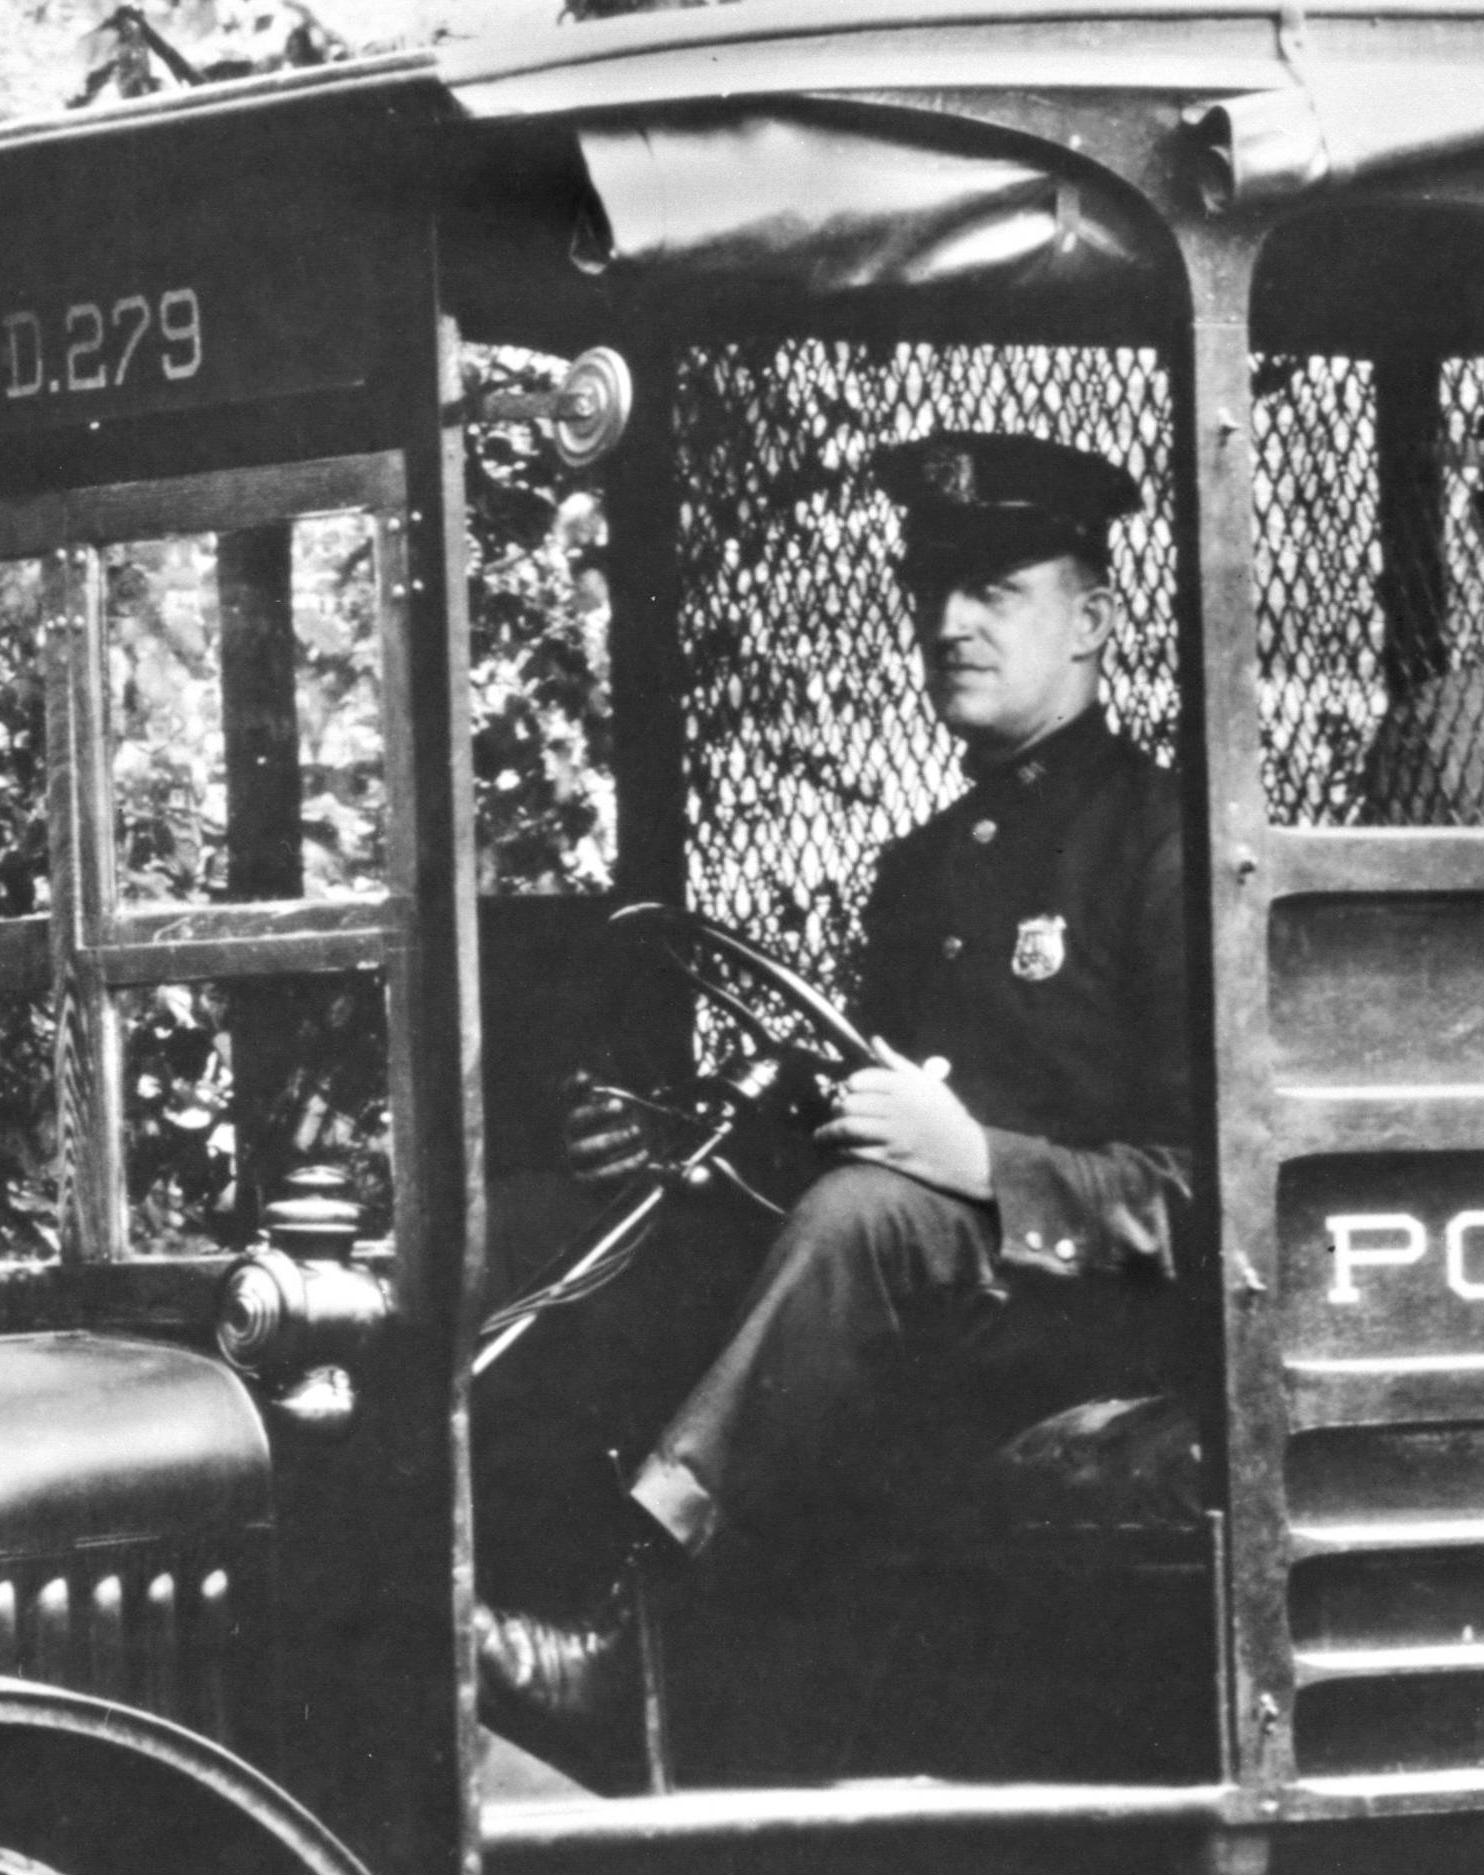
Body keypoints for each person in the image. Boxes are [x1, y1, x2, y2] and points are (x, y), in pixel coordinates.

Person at [474, 427, 1193, 1744]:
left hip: (1093, 1316)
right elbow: (854, 1129)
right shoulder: (925, 871)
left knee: (866, 1221)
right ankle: (463, 1594)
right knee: (553, 1227)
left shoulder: (1171, 850)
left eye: (994, 589)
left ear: (1091, 620)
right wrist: (686, 1145)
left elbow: (1208, 1193)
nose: (948, 620)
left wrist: (980, 1163)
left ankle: (627, 1657)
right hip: (921, 1286)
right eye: (933, 586)